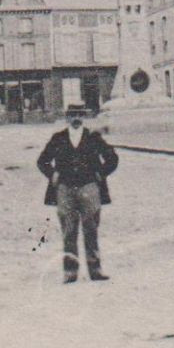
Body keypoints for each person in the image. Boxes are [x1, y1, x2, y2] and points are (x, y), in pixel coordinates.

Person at [36, 104, 120, 282]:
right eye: (72, 115)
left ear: (84, 116)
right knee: (68, 230)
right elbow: (42, 161)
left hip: (89, 187)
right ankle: (70, 272)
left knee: (91, 229)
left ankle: (95, 269)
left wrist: (101, 173)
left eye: (79, 114)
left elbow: (112, 158)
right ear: (67, 117)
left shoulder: (93, 137)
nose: (76, 118)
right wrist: (53, 175)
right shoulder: (58, 138)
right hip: (65, 189)